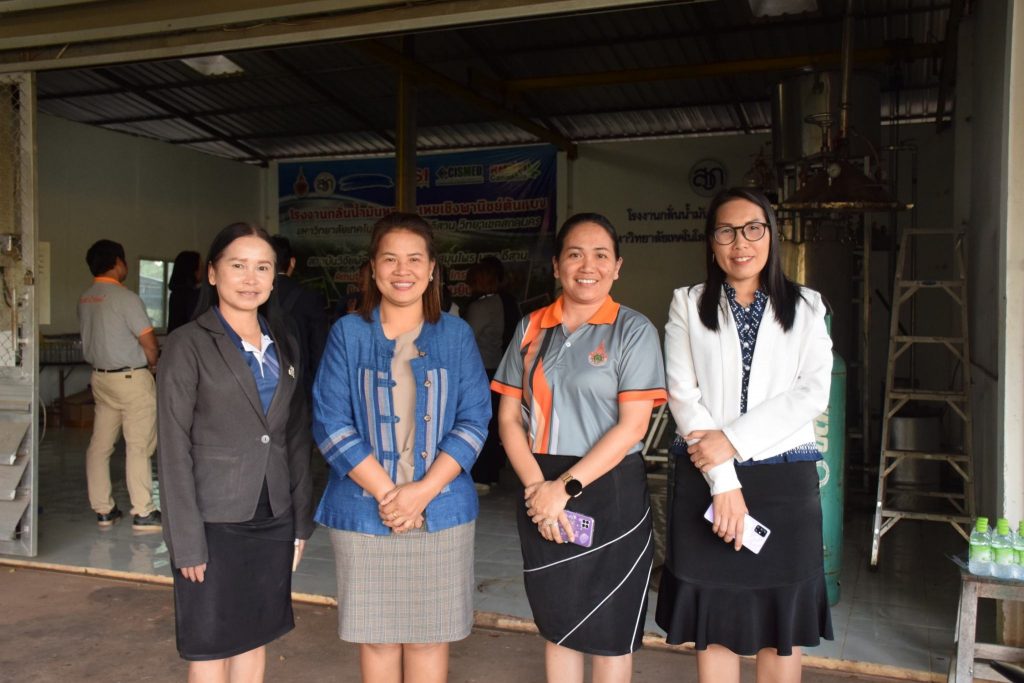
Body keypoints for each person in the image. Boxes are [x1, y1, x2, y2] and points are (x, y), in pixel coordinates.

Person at [655, 187, 834, 683]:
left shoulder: (807, 306)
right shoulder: (688, 304)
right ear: (711, 242)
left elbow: (813, 393)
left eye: (753, 229)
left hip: (785, 484)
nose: (741, 243)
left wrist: (731, 441)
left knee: (782, 623)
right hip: (705, 478)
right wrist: (724, 481)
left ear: (771, 235)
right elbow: (683, 396)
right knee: (715, 619)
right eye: (726, 232)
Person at [312, 212, 490, 683]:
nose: (402, 270)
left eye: (414, 259)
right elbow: (330, 423)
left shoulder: (456, 335)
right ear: (373, 268)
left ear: (432, 269)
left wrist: (421, 493)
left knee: (429, 638)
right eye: (390, 259)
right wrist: (391, 496)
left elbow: (474, 421)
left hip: (440, 512)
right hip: (366, 513)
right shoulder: (348, 334)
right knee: (377, 638)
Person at [491, 213, 667, 683]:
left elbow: (633, 426)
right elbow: (508, 418)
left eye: (601, 255)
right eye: (575, 254)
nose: (588, 266)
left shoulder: (633, 330)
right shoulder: (530, 328)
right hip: (539, 484)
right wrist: (538, 490)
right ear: (556, 265)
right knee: (559, 623)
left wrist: (563, 488)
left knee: (610, 629)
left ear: (617, 267)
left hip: (610, 488)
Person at [157, 223, 314, 679]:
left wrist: (300, 523)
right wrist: (185, 541)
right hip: (213, 522)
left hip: (274, 515)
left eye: (262, 268)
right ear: (213, 273)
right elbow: (173, 447)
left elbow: (295, 435)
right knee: (211, 646)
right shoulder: (188, 344)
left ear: (275, 277)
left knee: (255, 635)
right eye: (238, 265)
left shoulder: (284, 344)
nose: (251, 278)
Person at [77, 239, 161, 530]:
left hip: (101, 379)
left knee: (100, 446)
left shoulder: (86, 298)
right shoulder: (126, 298)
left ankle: (104, 510)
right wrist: (153, 363)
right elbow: (148, 341)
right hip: (131, 379)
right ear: (117, 262)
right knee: (138, 446)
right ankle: (144, 512)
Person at [463, 258, 507, 492]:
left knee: (477, 422)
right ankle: (491, 473)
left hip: (479, 369)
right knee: (491, 423)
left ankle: (480, 475)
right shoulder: (498, 302)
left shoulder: (480, 307)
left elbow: (466, 338)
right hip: (494, 368)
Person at [270, 235, 328, 399]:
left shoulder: (252, 296)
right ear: (292, 262)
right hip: (299, 387)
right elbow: (319, 348)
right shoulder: (310, 298)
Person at [166, 250, 201, 333]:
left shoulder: (176, 293)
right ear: (193, 271)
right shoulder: (192, 295)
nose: (203, 271)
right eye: (201, 267)